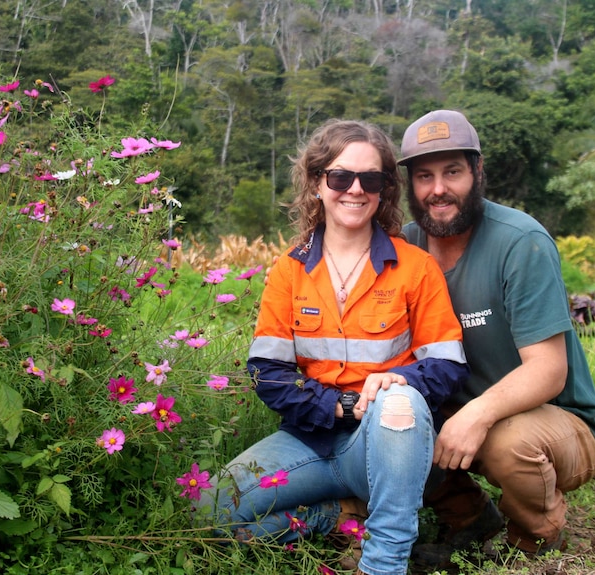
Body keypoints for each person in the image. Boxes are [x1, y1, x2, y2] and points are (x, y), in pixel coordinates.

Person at [197, 119, 469, 575]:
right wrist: (341, 406)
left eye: (371, 179)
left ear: (385, 190)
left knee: (399, 401)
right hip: (309, 439)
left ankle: (383, 563)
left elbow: (446, 366)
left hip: (387, 444)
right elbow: (269, 372)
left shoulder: (415, 268)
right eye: (341, 177)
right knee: (207, 512)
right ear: (317, 183)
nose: (355, 190)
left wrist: (398, 380)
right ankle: (333, 516)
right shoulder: (289, 271)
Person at [397, 109, 595, 565]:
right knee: (394, 421)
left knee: (507, 442)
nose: (438, 189)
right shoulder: (405, 246)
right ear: (410, 186)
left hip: (556, 420)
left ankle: (536, 532)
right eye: (424, 176)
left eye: (452, 171)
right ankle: (469, 517)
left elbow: (549, 370)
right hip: (458, 411)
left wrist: (476, 415)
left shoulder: (520, 241)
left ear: (478, 172)